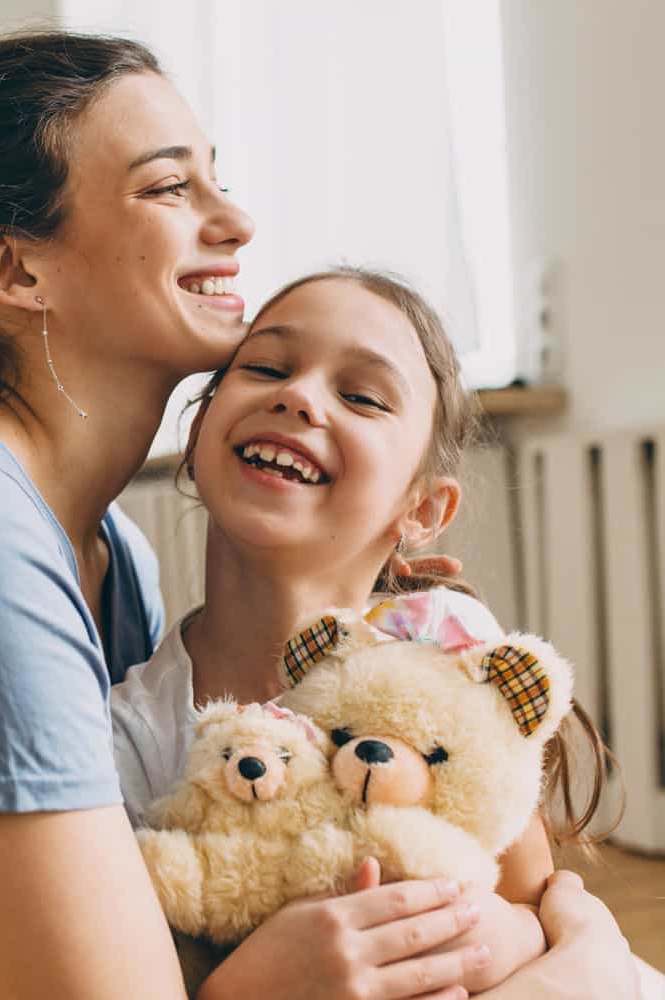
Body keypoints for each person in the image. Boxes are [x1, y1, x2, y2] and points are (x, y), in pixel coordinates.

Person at [0, 30, 640, 1000]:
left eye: (217, 181)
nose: (233, 222)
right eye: (168, 187)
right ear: (17, 269)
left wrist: (579, 940)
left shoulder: (113, 556)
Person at [112, 268, 647, 997]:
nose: (298, 395)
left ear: (424, 509)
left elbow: (533, 902)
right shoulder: (131, 736)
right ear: (201, 427)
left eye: (360, 396)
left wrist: (496, 939)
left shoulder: (456, 655)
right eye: (268, 367)